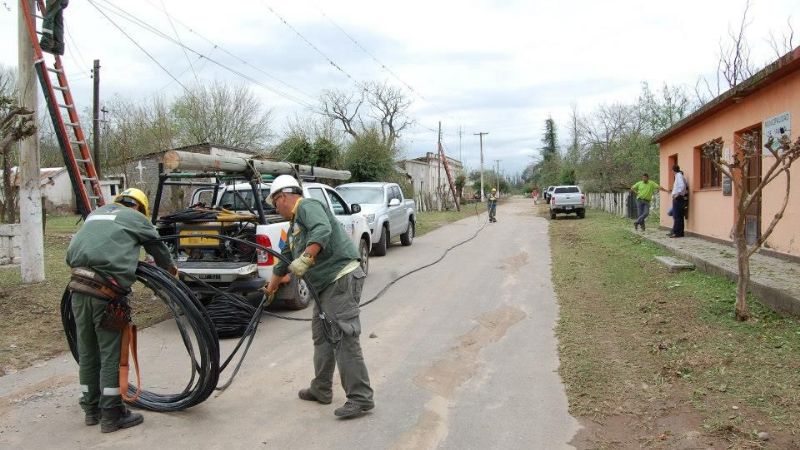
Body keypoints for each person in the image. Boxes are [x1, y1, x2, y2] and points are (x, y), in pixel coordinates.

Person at [66, 188, 177, 433]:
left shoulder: (95, 214)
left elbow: (72, 252)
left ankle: (91, 409)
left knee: (88, 351)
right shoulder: (137, 219)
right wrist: (171, 275)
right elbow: (159, 252)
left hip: (77, 289)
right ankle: (112, 414)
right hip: (106, 295)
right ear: (140, 208)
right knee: (111, 355)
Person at [264, 175, 374, 418]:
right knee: (322, 336)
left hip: (341, 278)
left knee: (343, 337)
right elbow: (283, 259)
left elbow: (322, 228)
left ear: (282, 197)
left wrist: (307, 257)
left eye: (275, 203)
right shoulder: (294, 226)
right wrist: (270, 289)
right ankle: (321, 388)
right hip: (324, 287)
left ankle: (361, 398)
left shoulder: (307, 206)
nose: (275, 208)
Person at [669, 165, 688, 238]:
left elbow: (682, 186)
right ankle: (680, 232)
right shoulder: (680, 176)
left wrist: (677, 194)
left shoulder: (678, 176)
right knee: (679, 216)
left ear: (673, 170)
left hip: (678, 198)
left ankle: (676, 233)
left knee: (677, 216)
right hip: (680, 197)